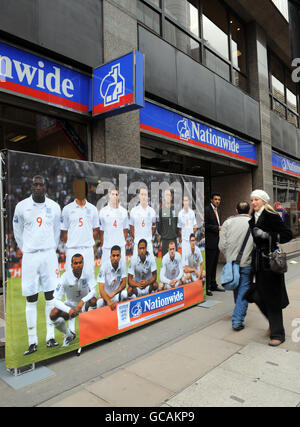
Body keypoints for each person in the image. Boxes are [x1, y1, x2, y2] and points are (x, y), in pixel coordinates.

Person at [12, 175, 61, 355]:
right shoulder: (21, 207)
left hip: (48, 255)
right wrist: (25, 248)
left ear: (45, 187)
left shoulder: (54, 207)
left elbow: (57, 230)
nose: (38, 187)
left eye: (41, 184)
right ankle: (32, 342)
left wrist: (50, 248)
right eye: (35, 184)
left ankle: (50, 337)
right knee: (31, 298)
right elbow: (17, 230)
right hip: (30, 257)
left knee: (50, 296)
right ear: (31, 187)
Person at [245, 189, 293, 346]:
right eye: (252, 200)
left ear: (264, 201)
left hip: (271, 263)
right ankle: (273, 324)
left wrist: (267, 235)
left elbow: (287, 235)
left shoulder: (271, 215)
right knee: (256, 295)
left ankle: (278, 334)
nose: (253, 202)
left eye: (256, 200)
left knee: (272, 298)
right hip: (258, 263)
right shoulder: (252, 218)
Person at [219, 202, 253, 331]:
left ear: (236, 210)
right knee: (243, 292)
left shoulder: (227, 223)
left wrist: (230, 256)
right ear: (249, 211)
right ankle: (237, 321)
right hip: (246, 263)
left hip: (232, 263)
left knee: (237, 289)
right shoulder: (253, 222)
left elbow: (221, 246)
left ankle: (238, 311)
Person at [50, 253, 97, 347]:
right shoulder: (65, 277)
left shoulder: (88, 272)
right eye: (75, 263)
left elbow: (93, 291)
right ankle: (69, 335)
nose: (78, 265)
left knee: (93, 301)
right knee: (53, 314)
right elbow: (55, 300)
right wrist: (69, 310)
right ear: (71, 265)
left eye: (80, 262)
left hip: (83, 305)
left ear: (83, 263)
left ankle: (91, 329)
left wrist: (82, 301)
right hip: (70, 306)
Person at [61, 179, 100, 276]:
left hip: (87, 250)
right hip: (72, 249)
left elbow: (96, 230)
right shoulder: (67, 209)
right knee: (71, 281)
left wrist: (87, 241)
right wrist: (73, 242)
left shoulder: (93, 209)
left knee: (89, 279)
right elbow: (64, 232)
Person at [99, 187, 129, 269]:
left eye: (116, 194)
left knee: (121, 272)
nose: (114, 196)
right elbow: (101, 231)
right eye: (112, 194)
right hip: (107, 247)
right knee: (105, 271)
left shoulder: (124, 212)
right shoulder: (103, 212)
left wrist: (121, 243)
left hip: (120, 247)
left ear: (118, 196)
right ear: (109, 195)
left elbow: (125, 231)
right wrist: (103, 244)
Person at [204, 192, 224, 296]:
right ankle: (206, 288)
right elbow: (205, 225)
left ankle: (213, 284)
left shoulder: (218, 211)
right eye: (215, 199)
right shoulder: (207, 210)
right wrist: (217, 228)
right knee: (209, 265)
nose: (217, 201)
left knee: (215, 264)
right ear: (211, 200)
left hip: (217, 242)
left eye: (219, 200)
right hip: (209, 242)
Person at [96, 245, 127, 311]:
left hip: (116, 294)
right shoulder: (104, 267)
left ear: (120, 256)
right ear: (110, 257)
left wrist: (114, 293)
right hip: (105, 295)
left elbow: (124, 283)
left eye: (117, 255)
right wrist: (108, 301)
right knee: (99, 303)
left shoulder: (122, 265)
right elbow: (101, 289)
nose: (115, 258)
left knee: (125, 294)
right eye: (113, 255)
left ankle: (122, 313)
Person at [129, 187, 156, 257]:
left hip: (149, 244)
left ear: (148, 196)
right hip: (137, 243)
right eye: (142, 194)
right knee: (136, 266)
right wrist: (137, 239)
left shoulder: (152, 211)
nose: (144, 197)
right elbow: (131, 227)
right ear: (139, 196)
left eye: (145, 195)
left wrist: (148, 237)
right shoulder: (133, 211)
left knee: (150, 267)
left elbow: (153, 228)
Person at [157, 189, 178, 257]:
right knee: (165, 262)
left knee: (175, 261)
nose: (168, 197)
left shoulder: (175, 209)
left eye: (169, 195)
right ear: (164, 198)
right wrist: (163, 234)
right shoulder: (161, 210)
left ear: (171, 197)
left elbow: (177, 223)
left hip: (174, 239)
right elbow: (159, 226)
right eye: (166, 195)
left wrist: (175, 233)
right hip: (165, 240)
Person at [178, 195, 197, 261]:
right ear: (182, 202)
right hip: (184, 240)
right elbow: (179, 229)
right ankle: (184, 270)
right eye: (184, 200)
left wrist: (192, 237)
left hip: (191, 240)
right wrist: (183, 236)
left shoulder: (192, 213)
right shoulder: (180, 213)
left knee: (192, 258)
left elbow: (195, 227)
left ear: (189, 202)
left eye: (187, 200)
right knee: (184, 258)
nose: (186, 202)